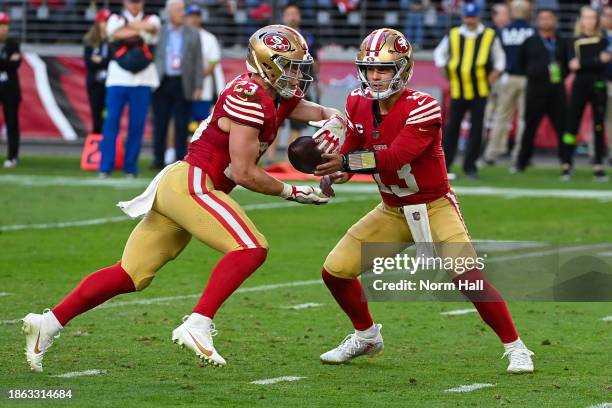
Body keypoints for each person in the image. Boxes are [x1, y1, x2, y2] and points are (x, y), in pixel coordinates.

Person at [21, 24, 342, 372]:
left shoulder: (273, 93)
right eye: (290, 65)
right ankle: (198, 322)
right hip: (192, 184)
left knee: (131, 275)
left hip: (185, 187)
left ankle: (47, 323)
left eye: (298, 65)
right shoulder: (249, 95)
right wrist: (296, 192)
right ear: (266, 64)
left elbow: (315, 112)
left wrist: (335, 121)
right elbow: (244, 173)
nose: (297, 73)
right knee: (250, 248)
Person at [314, 28, 534, 373]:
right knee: (335, 271)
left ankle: (516, 347)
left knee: (468, 277)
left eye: (384, 69)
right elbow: (353, 150)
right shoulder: (356, 101)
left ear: (402, 69)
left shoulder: (424, 107)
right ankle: (367, 336)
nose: (375, 75)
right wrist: (335, 170)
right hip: (392, 210)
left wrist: (346, 163)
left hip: (434, 206)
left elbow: (393, 158)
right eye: (370, 68)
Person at [434, 2, 505, 179]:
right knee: (452, 128)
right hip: (458, 89)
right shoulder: (454, 34)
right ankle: (446, 165)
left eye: (473, 17)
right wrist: (446, 70)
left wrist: (494, 75)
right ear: (463, 16)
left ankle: (470, 166)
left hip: (480, 90)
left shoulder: (489, 35)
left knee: (477, 129)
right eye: (467, 16)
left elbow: (500, 60)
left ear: (478, 17)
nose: (470, 20)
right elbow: (439, 54)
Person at [100, 0, 160, 178]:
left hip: (143, 80)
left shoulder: (153, 18)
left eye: (138, 2)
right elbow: (113, 34)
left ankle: (130, 166)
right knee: (111, 123)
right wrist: (141, 31)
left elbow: (153, 29)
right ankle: (105, 166)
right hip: (117, 79)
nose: (134, 5)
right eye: (131, 2)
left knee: (137, 125)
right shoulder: (114, 18)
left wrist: (125, 29)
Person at [513, 9, 568, 173]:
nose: (546, 21)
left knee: (563, 127)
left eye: (549, 18)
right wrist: (533, 73)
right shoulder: (530, 41)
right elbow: (520, 63)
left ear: (555, 20)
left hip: (557, 91)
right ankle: (522, 162)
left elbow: (567, 62)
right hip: (535, 90)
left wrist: (561, 75)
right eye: (542, 18)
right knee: (530, 126)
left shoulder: (562, 41)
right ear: (537, 21)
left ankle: (566, 162)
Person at [151, 0, 203, 169]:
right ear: (170, 12)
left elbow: (198, 61)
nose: (183, 13)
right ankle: (158, 158)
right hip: (162, 81)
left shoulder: (193, 33)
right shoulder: (159, 31)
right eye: (179, 10)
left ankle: (181, 160)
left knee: (182, 123)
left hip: (183, 82)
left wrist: (198, 86)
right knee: (160, 122)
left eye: (183, 9)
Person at [266, 2, 320, 164]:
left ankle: (291, 163)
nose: (292, 16)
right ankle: (270, 161)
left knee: (297, 126)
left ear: (300, 17)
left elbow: (315, 62)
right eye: (289, 13)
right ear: (283, 16)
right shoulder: (276, 37)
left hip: (300, 86)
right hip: (278, 86)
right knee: (274, 125)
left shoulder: (308, 38)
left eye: (295, 13)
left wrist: (317, 82)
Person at [561, 6, 611, 181]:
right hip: (579, 86)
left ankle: (598, 165)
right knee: (571, 124)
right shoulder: (573, 41)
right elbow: (572, 64)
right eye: (585, 17)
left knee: (599, 127)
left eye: (592, 17)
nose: (588, 21)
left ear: (596, 20)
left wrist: (583, 63)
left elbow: (603, 63)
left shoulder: (603, 40)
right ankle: (566, 164)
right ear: (580, 20)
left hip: (598, 87)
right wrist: (594, 61)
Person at [484, 0, 534, 165]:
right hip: (527, 78)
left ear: (513, 13)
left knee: (501, 116)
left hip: (507, 77)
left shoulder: (504, 31)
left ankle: (493, 153)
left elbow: (496, 56)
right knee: (524, 118)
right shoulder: (532, 32)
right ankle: (520, 154)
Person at [185, 4, 222, 123]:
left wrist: (194, 82)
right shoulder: (179, 35)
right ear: (185, 17)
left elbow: (212, 66)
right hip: (181, 90)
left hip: (203, 90)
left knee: (202, 125)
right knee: (178, 124)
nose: (194, 19)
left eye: (197, 16)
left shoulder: (209, 38)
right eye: (191, 16)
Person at [83, 9, 112, 135]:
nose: (106, 24)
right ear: (98, 23)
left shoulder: (114, 39)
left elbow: (113, 61)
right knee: (96, 113)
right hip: (95, 83)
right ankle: (96, 141)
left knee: (108, 114)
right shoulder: (90, 40)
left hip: (110, 83)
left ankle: (107, 140)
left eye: (108, 21)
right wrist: (104, 61)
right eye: (104, 21)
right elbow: (89, 63)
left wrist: (99, 61)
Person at [0, 11, 22, 169]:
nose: (3, 29)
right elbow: (10, 63)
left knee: (12, 123)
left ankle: (12, 156)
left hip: (10, 89)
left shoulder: (13, 43)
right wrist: (6, 61)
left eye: (5, 25)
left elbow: (15, 65)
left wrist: (6, 63)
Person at [602, 5, 612, 165]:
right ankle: (595, 151)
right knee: (600, 118)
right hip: (601, 81)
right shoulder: (599, 37)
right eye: (607, 16)